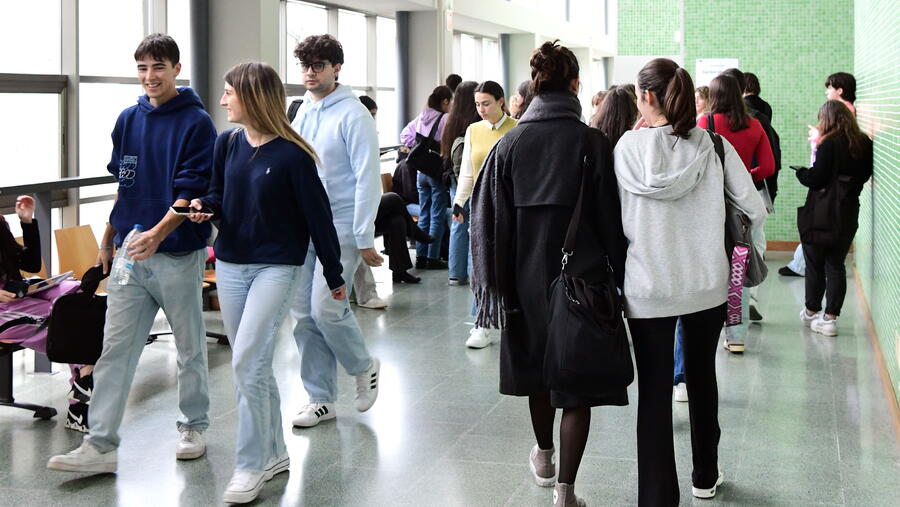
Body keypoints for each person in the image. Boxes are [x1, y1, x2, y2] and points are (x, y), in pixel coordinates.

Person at [48, 34, 215, 474]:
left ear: (176, 69)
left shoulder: (197, 123)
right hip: (129, 255)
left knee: (189, 347)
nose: (149, 77)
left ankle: (194, 425)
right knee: (115, 349)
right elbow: (126, 186)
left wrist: (157, 235)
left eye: (158, 67)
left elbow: (191, 191)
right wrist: (109, 239)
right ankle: (101, 445)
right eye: (142, 68)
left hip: (177, 254)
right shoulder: (127, 120)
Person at [471, 40, 627, 507]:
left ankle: (543, 454)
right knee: (574, 384)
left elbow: (494, 223)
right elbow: (611, 222)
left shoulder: (510, 144)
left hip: (523, 280)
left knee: (538, 371)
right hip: (582, 279)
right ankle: (566, 492)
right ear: (576, 85)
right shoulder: (591, 143)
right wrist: (621, 280)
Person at [185, 62, 344, 504]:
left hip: (277, 266)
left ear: (252, 97)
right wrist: (205, 207)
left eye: (228, 93)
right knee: (251, 365)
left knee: (247, 362)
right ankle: (274, 454)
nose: (222, 101)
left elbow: (319, 220)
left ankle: (250, 465)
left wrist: (335, 276)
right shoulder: (228, 144)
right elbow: (218, 195)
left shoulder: (293, 155)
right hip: (232, 263)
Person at [614, 58, 766, 504]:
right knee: (702, 377)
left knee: (656, 392)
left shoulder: (624, 148)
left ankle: (658, 496)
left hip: (647, 288)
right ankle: (705, 475)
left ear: (644, 97)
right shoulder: (715, 146)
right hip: (706, 284)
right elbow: (754, 210)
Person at [288, 34, 382, 429]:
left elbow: (367, 178)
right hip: (302, 225)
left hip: (340, 224)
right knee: (302, 314)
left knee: (327, 308)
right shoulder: (302, 112)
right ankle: (320, 397)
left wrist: (363, 236)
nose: (310, 73)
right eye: (306, 66)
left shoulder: (354, 114)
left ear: (336, 68)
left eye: (319, 66)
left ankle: (363, 366)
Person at [697, 74, 774, 354]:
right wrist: (745, 177)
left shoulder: (707, 123)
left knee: (711, 267)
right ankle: (737, 335)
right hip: (743, 207)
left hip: (712, 206)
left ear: (714, 95)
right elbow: (767, 166)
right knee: (739, 272)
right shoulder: (755, 124)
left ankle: (708, 329)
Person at [797, 100, 872, 337]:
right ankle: (830, 318)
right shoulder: (864, 143)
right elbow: (865, 174)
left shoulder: (828, 144)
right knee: (836, 264)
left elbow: (816, 178)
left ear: (826, 119)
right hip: (848, 211)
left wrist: (801, 173)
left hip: (821, 214)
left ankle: (811, 310)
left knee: (814, 263)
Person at [452, 80, 517, 349]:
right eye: (477, 104)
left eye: (486, 103)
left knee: (509, 263)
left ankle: (513, 317)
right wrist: (459, 202)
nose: (481, 109)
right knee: (478, 265)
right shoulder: (473, 130)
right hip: (480, 206)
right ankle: (481, 322)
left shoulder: (517, 128)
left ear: (501, 101)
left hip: (510, 205)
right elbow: (468, 169)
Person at [780, 72, 858, 278]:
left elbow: (834, 151)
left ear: (840, 90)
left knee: (816, 228)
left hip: (829, 186)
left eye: (829, 87)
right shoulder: (846, 121)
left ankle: (802, 267)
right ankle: (801, 264)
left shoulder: (845, 114)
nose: (826, 91)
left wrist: (818, 136)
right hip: (838, 189)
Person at [400, 86, 452, 269]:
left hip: (420, 170)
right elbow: (449, 143)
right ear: (445, 101)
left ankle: (420, 257)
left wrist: (415, 145)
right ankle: (432, 257)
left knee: (424, 213)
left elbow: (405, 136)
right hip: (435, 170)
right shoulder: (445, 118)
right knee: (437, 215)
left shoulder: (422, 116)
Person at [440, 80, 480, 286]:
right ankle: (473, 275)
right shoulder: (475, 124)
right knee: (474, 227)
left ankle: (456, 274)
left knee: (458, 225)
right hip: (470, 179)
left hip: (454, 180)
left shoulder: (452, 122)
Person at [349, 95, 388, 310]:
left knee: (396, 214)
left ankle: (364, 294)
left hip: (359, 204)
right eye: (371, 115)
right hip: (347, 205)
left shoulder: (364, 130)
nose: (373, 119)